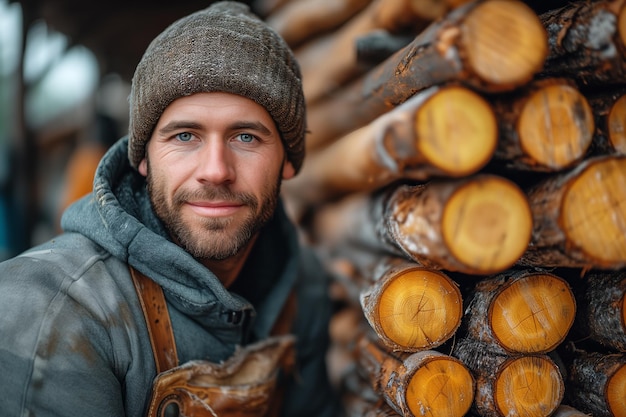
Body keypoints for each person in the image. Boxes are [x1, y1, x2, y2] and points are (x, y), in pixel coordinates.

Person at [0, 2, 339, 416]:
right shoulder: (50, 309)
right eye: (184, 136)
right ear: (142, 160)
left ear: (288, 160)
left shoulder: (300, 286)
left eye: (246, 137)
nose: (215, 171)